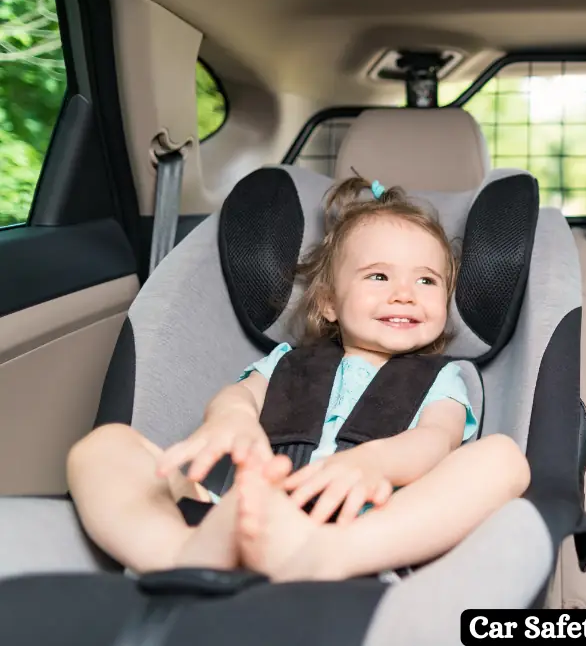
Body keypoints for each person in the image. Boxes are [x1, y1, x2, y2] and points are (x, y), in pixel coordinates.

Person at [65, 177, 531, 582]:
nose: (405, 294)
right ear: (328, 302)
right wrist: (232, 421)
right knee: (104, 446)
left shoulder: (443, 379)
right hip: (244, 511)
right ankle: (177, 553)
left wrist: (376, 463)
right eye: (379, 276)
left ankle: (325, 555)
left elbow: (435, 440)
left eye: (427, 281)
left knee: (504, 459)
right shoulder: (287, 363)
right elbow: (240, 396)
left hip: (363, 524)